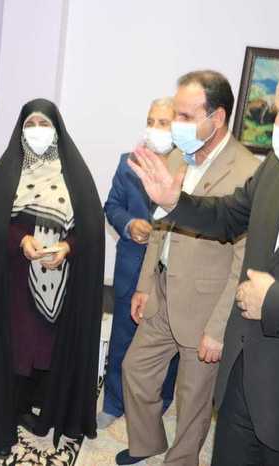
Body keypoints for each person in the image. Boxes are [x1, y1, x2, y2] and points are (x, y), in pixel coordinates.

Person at [130, 50, 279, 466]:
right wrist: (174, 201)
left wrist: (274, 302)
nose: (277, 129)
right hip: (243, 379)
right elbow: (228, 216)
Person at [116, 70, 260, 466]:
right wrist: (145, 284)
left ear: (217, 117)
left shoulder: (247, 172)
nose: (176, 124)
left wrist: (218, 327)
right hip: (163, 291)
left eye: (185, 115)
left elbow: (244, 259)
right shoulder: (178, 156)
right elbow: (162, 225)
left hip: (205, 305)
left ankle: (181, 460)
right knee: (136, 369)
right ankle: (147, 443)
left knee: (193, 399)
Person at [0, 98, 105, 457]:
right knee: (17, 344)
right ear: (20, 130)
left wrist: (67, 247)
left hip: (59, 276)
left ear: (57, 131)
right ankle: (11, 409)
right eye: (30, 124)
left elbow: (91, 228)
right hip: (15, 277)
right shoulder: (9, 172)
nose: (37, 131)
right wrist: (21, 240)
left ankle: (44, 409)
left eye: (44, 124)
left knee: (48, 345)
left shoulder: (73, 174)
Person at [98, 97, 180, 430]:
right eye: (151, 121)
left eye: (163, 122)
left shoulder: (188, 168)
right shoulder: (128, 163)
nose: (154, 128)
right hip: (132, 265)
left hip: (171, 274)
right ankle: (113, 403)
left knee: (168, 344)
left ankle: (159, 403)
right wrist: (130, 225)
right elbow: (112, 206)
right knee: (122, 338)